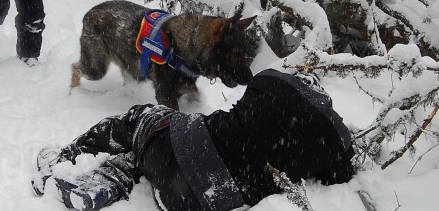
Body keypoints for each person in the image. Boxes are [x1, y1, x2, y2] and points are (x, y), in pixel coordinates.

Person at [32, 68, 356, 211]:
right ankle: (118, 173)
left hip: (181, 149)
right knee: (150, 155)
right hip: (200, 202)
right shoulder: (337, 142)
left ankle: (69, 154)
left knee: (141, 119)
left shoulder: (273, 79)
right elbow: (339, 177)